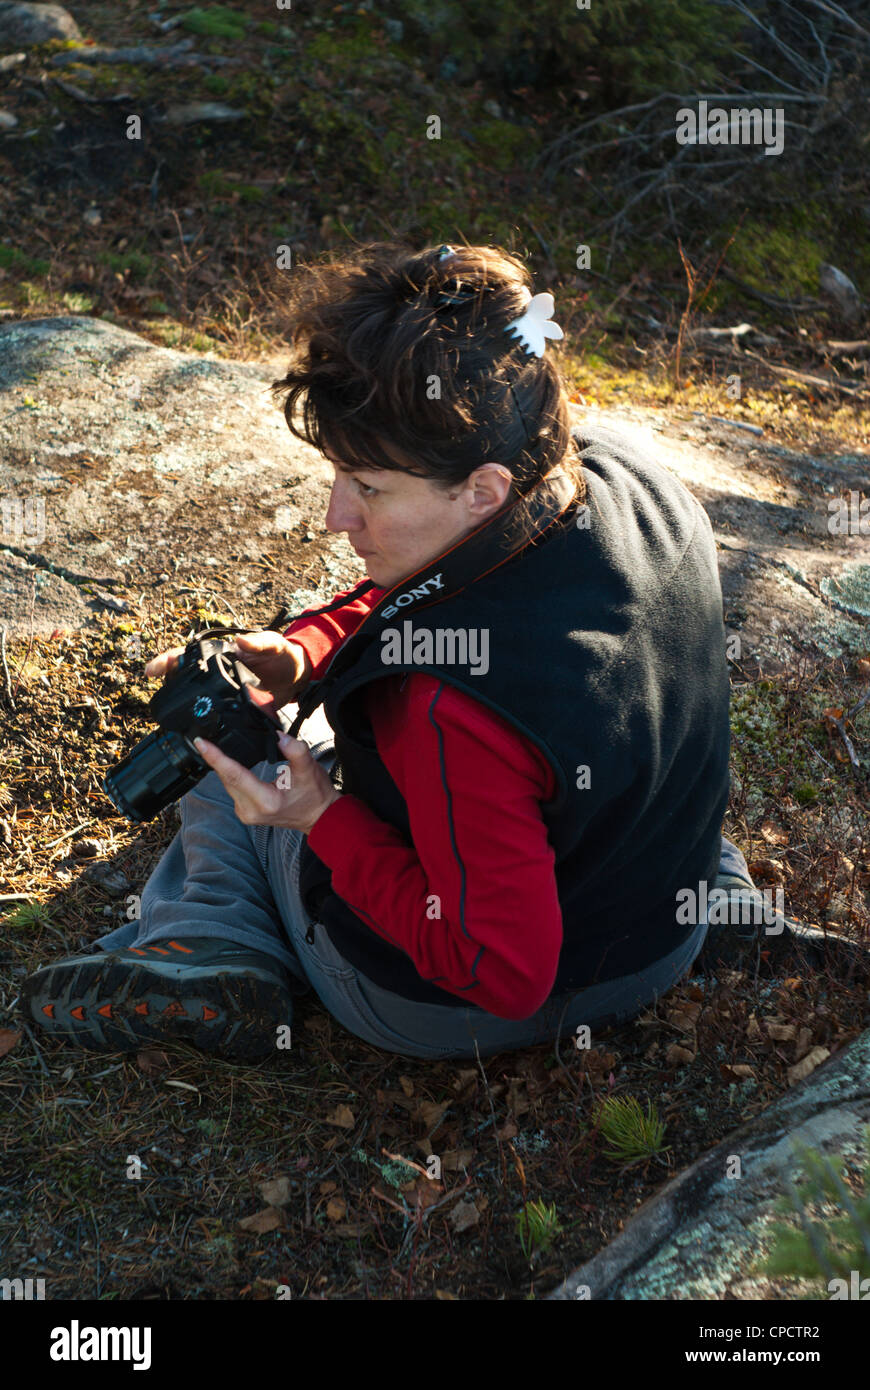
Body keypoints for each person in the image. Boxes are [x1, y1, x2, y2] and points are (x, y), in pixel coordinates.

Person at [22, 240, 774, 1062]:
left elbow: (505, 974)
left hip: (470, 1008)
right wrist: (307, 648)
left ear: (481, 489)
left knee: (242, 764)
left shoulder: (450, 707)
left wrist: (319, 816)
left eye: (371, 488)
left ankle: (208, 940)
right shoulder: (628, 478)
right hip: (664, 926)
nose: (337, 516)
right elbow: (450, 583)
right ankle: (734, 900)